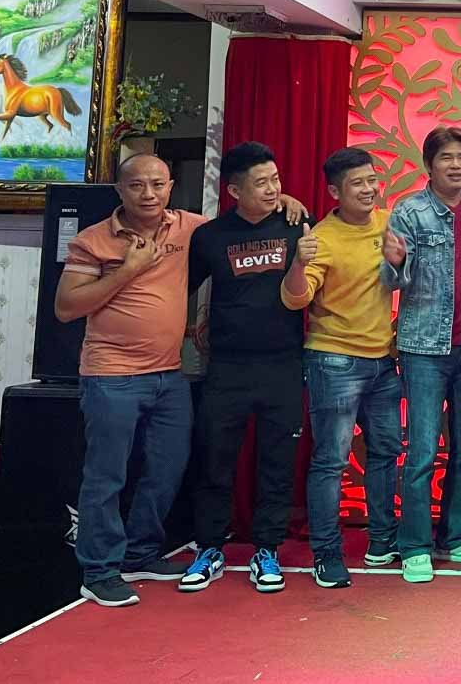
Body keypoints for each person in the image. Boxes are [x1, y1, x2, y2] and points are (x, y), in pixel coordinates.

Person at [54, 155, 206, 608]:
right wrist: (128, 269)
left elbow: (241, 227)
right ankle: (99, 571)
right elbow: (66, 307)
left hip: (169, 375)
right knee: (107, 476)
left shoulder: (187, 228)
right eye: (137, 185)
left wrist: (285, 203)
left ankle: (140, 554)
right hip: (111, 375)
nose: (149, 194)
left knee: (167, 468)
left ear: (171, 187)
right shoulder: (93, 240)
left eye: (158, 184)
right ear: (120, 190)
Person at [178, 142, 311, 596]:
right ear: (235, 191)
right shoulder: (210, 236)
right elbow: (181, 289)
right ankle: (209, 548)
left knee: (277, 463)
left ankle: (266, 550)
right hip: (227, 368)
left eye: (276, 180)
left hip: (284, 365)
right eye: (261, 183)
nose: (273, 189)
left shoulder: (295, 225)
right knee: (214, 459)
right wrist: (191, 325)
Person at [381, 126, 461, 584]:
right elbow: (392, 281)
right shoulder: (410, 211)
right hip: (424, 349)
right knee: (423, 450)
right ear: (429, 165)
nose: (456, 165)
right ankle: (414, 545)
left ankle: (455, 536)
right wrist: (394, 262)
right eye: (446, 157)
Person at [282, 147, 400, 589]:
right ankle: (327, 554)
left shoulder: (390, 222)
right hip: (334, 360)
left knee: (386, 452)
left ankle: (382, 540)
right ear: (335, 191)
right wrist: (299, 262)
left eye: (372, 180)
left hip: (384, 360)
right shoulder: (323, 238)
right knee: (331, 460)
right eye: (357, 184)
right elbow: (294, 299)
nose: (369, 189)